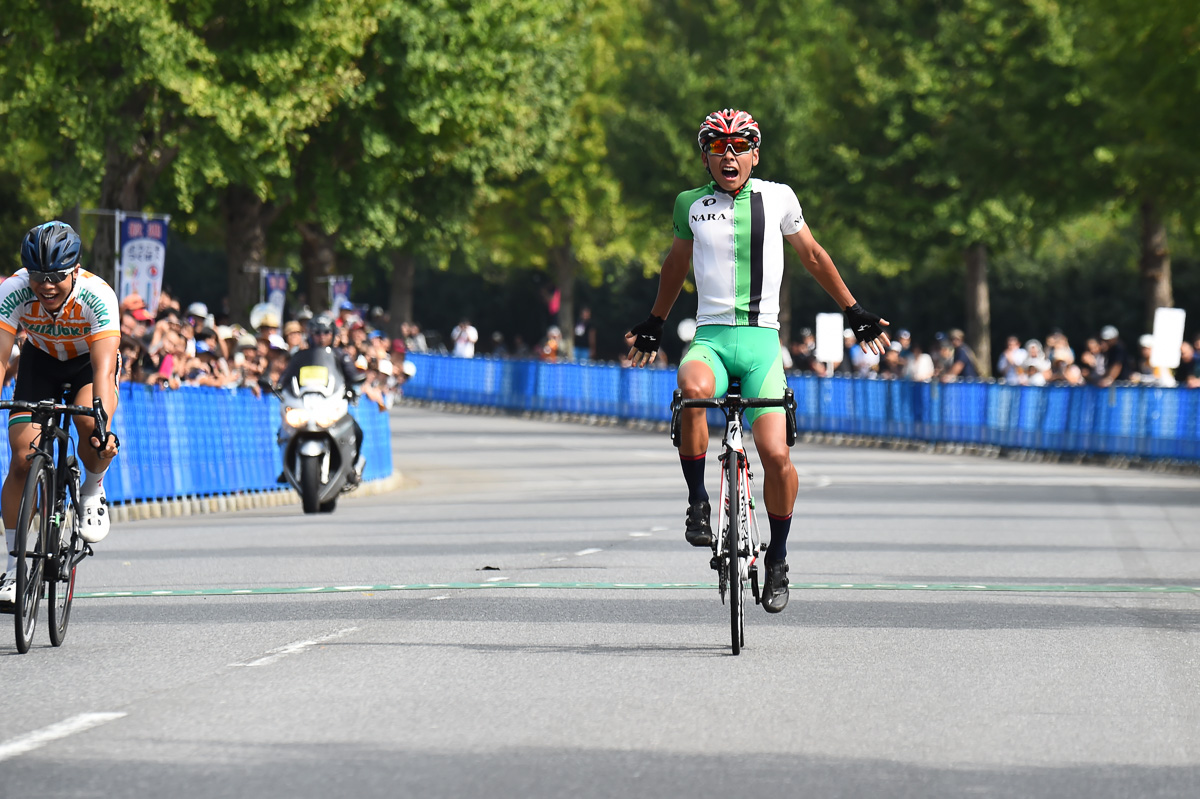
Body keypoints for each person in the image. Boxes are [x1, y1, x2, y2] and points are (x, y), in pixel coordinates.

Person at [626, 109, 890, 614]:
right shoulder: (690, 204)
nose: (730, 154)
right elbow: (675, 265)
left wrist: (854, 311)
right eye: (718, 146)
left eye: (740, 145)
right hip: (711, 337)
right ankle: (699, 502)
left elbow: (812, 255)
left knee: (776, 455)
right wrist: (655, 322)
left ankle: (779, 559)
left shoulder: (779, 197)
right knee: (693, 388)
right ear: (704, 155)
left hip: (762, 345)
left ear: (755, 154)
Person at [0, 222, 121, 602]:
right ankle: (14, 565)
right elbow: (1, 358)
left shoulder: (98, 296)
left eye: (56, 276)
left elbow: (104, 371)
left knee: (90, 423)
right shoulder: (13, 290)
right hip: (40, 361)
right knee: (21, 458)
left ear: (75, 270)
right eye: (38, 276)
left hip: (87, 363)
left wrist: (102, 426)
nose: (46, 285)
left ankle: (92, 487)